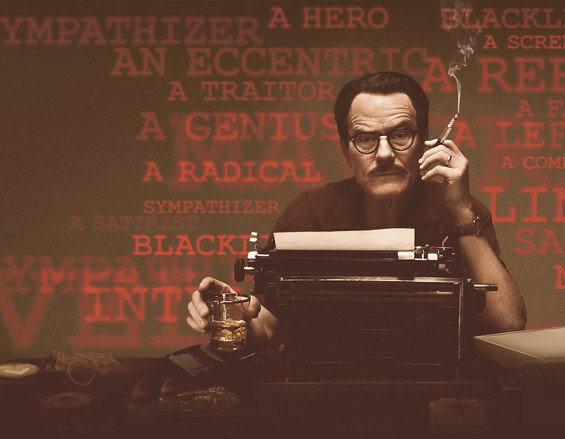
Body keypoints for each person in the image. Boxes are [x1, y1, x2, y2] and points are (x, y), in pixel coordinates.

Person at [186, 71, 526, 348]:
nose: (384, 154)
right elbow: (267, 325)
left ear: (424, 141)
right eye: (365, 139)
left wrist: (462, 214)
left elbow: (507, 324)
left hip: (438, 390)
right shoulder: (309, 212)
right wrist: (235, 316)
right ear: (345, 151)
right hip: (322, 390)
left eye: (400, 135)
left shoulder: (462, 210)